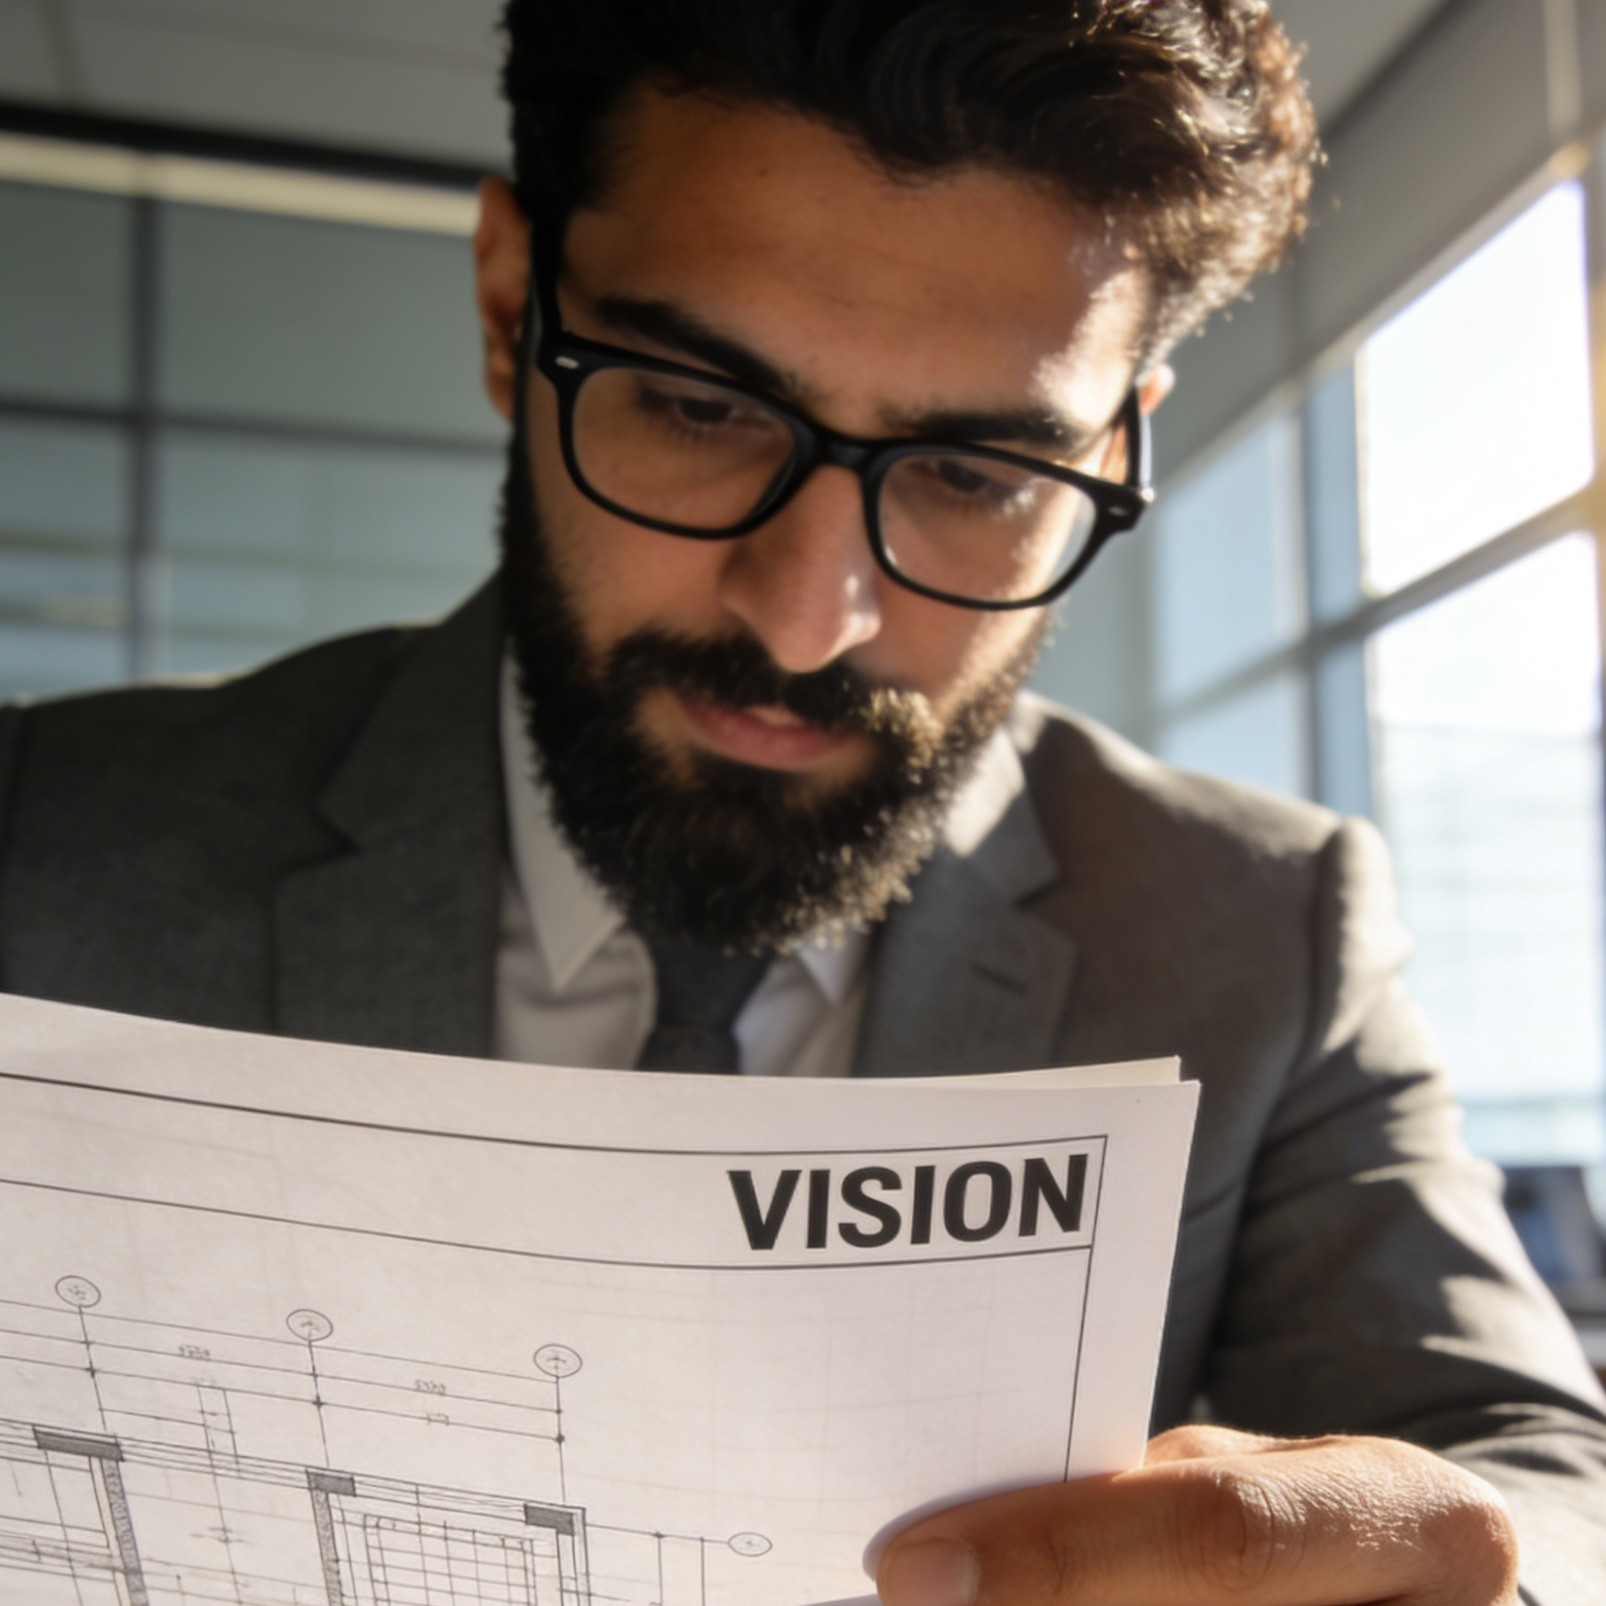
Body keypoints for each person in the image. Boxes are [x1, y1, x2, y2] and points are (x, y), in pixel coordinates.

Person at [1, 2, 1604, 1601]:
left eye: (977, 476)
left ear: (1116, 442)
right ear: (511, 310)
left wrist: (1453, 1565)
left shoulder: (1263, 921)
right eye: (700, 407)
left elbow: (1523, 1463)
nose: (805, 616)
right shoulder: (46, 835)